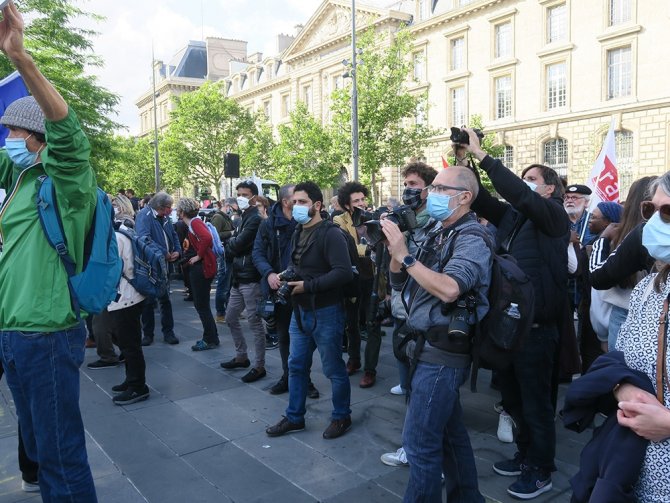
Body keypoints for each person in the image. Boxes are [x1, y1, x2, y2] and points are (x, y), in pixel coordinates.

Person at [0, 1, 98, 499]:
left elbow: (69, 132)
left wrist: (21, 59)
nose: (7, 141)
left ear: (37, 141)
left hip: (46, 333)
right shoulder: (16, 180)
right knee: (40, 451)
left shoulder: (67, 182)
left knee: (61, 455)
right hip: (13, 334)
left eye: (13, 133)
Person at [460, 128, 570, 500]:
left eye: (533, 179)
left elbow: (518, 195)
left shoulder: (552, 216)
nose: (526, 183)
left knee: (537, 404)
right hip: (510, 327)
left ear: (550, 188)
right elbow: (484, 201)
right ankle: (525, 456)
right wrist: (465, 161)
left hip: (538, 330)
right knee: (513, 400)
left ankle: (541, 469)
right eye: (524, 178)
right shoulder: (518, 219)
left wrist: (486, 155)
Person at [383, 165, 490, 502]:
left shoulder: (472, 237)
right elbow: (400, 281)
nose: (432, 194)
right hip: (424, 345)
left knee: (419, 445)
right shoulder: (436, 229)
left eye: (442, 189)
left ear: (465, 197)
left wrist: (406, 256)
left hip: (443, 352)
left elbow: (450, 289)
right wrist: (396, 252)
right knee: (449, 435)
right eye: (433, 188)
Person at [266, 181, 353, 439]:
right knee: (296, 366)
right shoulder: (297, 232)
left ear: (317, 205)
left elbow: (343, 273)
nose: (296, 206)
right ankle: (294, 417)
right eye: (294, 202)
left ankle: (341, 416)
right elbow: (300, 265)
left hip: (326, 312)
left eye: (302, 202)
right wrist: (286, 276)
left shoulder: (331, 233)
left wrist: (309, 286)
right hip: (300, 311)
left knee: (333, 368)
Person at [613, 172, 670, 502]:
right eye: (651, 209)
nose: (655, 222)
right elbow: (615, 361)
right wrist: (625, 388)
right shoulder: (648, 288)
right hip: (640, 470)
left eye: (669, 211)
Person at [380, 160, 437, 468]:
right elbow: (397, 270)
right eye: (407, 184)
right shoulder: (407, 219)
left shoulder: (434, 222)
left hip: (426, 311)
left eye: (415, 184)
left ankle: (416, 449)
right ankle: (420, 446)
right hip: (405, 306)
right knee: (412, 380)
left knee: (424, 389)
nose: (409, 190)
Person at [252, 184, 320, 398]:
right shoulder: (268, 225)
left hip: (305, 289)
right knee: (284, 337)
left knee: (307, 338)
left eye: (303, 200)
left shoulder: (309, 222)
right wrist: (270, 274)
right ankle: (288, 376)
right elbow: (258, 253)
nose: (300, 203)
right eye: (296, 199)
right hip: (279, 290)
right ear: (285, 202)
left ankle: (303, 377)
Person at [590, 176, 657, 350]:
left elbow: (598, 285)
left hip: (632, 318)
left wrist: (602, 240)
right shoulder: (628, 239)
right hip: (626, 318)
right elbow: (599, 278)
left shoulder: (615, 239)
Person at [220, 181, 267, 383]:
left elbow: (235, 245)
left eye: (245, 194)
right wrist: (232, 244)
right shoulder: (243, 218)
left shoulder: (254, 219)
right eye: (238, 193)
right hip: (239, 277)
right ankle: (242, 356)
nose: (240, 196)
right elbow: (233, 246)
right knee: (231, 317)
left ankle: (259, 366)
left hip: (250, 278)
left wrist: (232, 244)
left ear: (254, 197)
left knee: (255, 323)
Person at [106, 194, 150, 405]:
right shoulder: (127, 230)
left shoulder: (117, 235)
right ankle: (131, 380)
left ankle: (137, 386)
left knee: (129, 344)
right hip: (131, 295)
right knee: (128, 342)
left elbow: (113, 269)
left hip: (125, 296)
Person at [333, 182, 375, 386]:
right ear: (346, 204)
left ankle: (370, 369)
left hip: (373, 279)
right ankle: (354, 359)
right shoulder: (338, 220)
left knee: (372, 323)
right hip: (352, 277)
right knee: (351, 323)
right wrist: (368, 248)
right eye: (356, 201)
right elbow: (346, 248)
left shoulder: (374, 219)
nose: (361, 204)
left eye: (362, 199)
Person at [136, 191, 181, 346]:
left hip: (165, 264)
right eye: (169, 207)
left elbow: (173, 234)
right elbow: (144, 238)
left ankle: (168, 332)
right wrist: (163, 253)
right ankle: (148, 334)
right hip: (151, 265)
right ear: (161, 207)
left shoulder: (165, 217)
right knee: (149, 301)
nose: (171, 210)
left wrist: (177, 251)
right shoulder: (144, 215)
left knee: (165, 300)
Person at [176, 198, 220, 351]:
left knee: (201, 305)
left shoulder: (194, 223)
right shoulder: (194, 222)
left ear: (182, 212)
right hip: (203, 266)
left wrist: (198, 256)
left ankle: (210, 338)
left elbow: (207, 238)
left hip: (202, 267)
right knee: (202, 304)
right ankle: (212, 336)